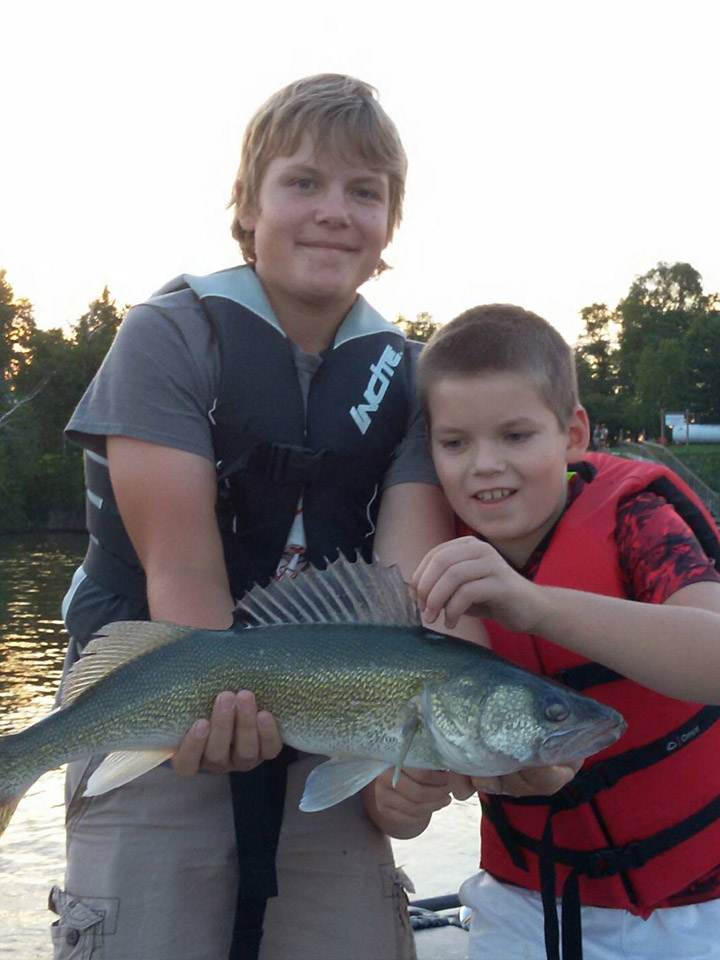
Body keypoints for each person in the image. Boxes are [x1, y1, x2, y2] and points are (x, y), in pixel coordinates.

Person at [49, 74, 462, 960]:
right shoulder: (167, 337)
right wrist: (218, 709)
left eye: (365, 193)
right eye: (303, 183)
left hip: (335, 725)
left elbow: (402, 612)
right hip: (156, 693)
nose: (334, 213)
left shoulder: (413, 383)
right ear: (247, 205)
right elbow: (183, 575)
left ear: (390, 224)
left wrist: (397, 770)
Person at [371, 303, 720, 960]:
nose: (485, 464)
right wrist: (400, 797)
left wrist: (535, 605)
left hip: (700, 906)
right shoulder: (437, 557)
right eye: (455, 443)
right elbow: (409, 791)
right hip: (527, 902)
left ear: (573, 434)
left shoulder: (637, 518)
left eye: (515, 435)